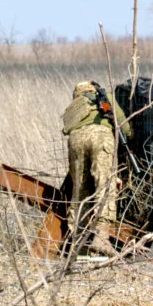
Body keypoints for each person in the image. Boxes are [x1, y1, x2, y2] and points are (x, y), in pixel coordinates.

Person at [61, 80, 127, 247]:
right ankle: (101, 239)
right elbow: (124, 126)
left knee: (80, 190)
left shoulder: (73, 107)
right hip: (100, 135)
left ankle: (78, 243)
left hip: (75, 139)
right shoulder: (105, 97)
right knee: (104, 185)